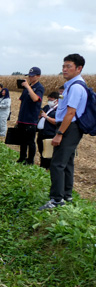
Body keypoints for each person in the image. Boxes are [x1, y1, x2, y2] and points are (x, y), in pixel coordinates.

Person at [39, 54, 87, 210]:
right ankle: (67, 195)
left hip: (69, 127)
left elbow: (70, 113)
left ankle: (56, 200)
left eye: (68, 66)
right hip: (69, 127)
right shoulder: (71, 85)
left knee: (57, 164)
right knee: (67, 163)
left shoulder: (76, 87)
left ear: (79, 68)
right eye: (63, 66)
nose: (64, 69)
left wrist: (59, 133)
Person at [15, 66, 45, 165]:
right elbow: (22, 102)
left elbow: (35, 99)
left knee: (30, 141)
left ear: (38, 76)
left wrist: (28, 87)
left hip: (31, 119)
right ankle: (22, 157)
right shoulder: (27, 88)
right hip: (22, 118)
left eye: (32, 76)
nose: (30, 78)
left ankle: (30, 160)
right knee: (22, 141)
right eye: (29, 76)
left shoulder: (39, 88)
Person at [36, 92, 59, 169]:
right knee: (41, 150)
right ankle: (42, 166)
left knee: (48, 152)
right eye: (48, 99)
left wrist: (47, 117)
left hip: (50, 133)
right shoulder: (47, 107)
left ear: (57, 100)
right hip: (42, 132)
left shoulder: (59, 109)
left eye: (51, 99)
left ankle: (48, 167)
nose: (49, 101)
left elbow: (57, 122)